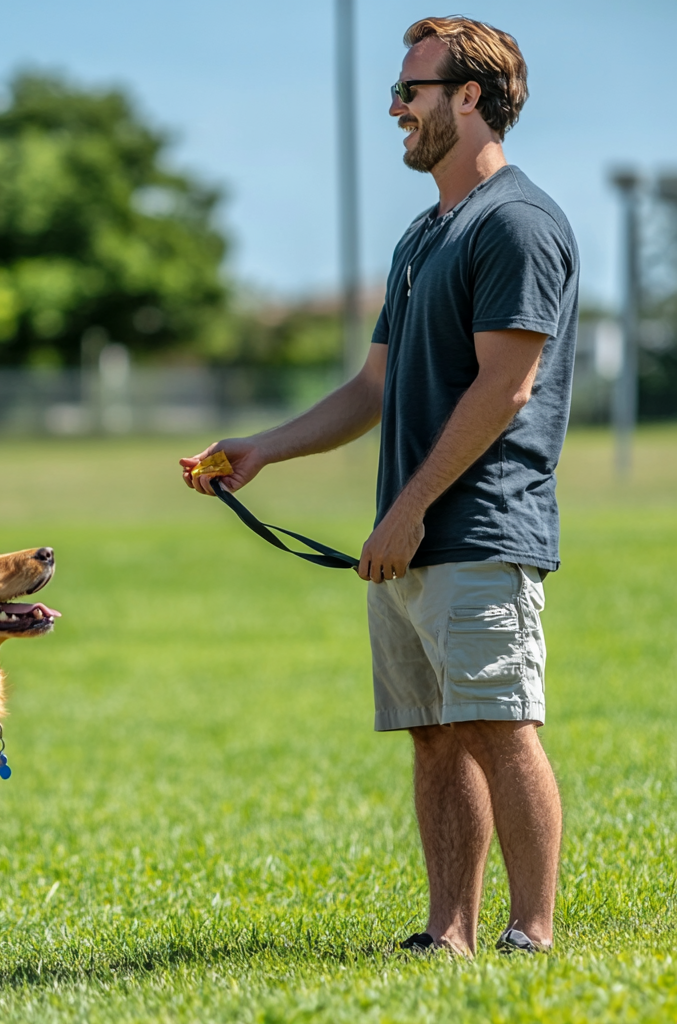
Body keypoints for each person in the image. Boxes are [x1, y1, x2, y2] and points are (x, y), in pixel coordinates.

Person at [180, 16, 578, 957]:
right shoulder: (423, 235)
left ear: (468, 98)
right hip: (413, 533)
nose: (394, 107)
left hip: (478, 527)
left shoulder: (516, 223)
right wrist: (266, 448)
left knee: (498, 726)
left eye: (410, 90)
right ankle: (450, 933)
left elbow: (506, 386)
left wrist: (408, 508)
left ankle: (532, 933)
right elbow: (374, 387)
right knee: (435, 734)